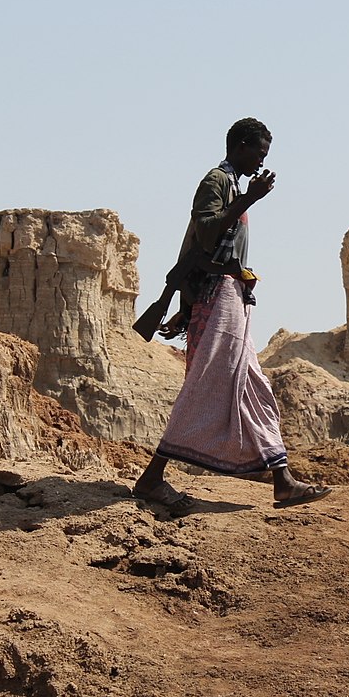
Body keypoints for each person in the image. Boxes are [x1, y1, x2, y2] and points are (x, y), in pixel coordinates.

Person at [132, 117, 333, 514]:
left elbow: (199, 250)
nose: (260, 163)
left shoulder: (232, 185)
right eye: (258, 153)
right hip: (218, 295)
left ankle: (283, 481)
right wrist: (250, 199)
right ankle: (152, 478)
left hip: (229, 295)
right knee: (208, 384)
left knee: (252, 385)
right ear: (240, 146)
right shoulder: (217, 181)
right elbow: (204, 235)